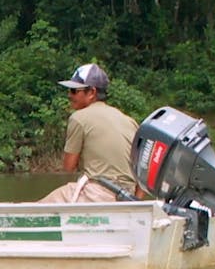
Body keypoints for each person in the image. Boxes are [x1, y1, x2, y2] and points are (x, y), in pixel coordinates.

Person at [38, 63, 140, 204]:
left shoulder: (79, 118)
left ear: (91, 92)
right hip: (129, 195)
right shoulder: (129, 121)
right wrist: (136, 202)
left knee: (37, 209)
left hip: (97, 193)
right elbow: (143, 172)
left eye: (74, 91)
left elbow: (69, 166)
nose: (69, 95)